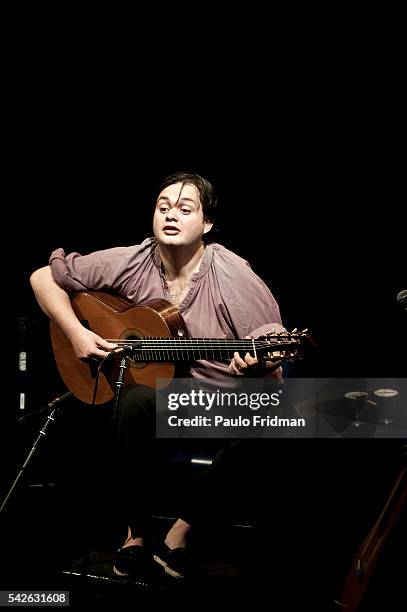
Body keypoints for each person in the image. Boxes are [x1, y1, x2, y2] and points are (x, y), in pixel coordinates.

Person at [29, 172, 285, 580]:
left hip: (220, 401)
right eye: (163, 207)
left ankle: (180, 533)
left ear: (207, 224)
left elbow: (271, 338)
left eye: (185, 209)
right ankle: (137, 534)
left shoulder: (231, 272)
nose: (171, 215)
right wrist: (77, 333)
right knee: (133, 402)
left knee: (275, 419)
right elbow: (43, 277)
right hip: (163, 399)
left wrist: (258, 361)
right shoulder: (134, 259)